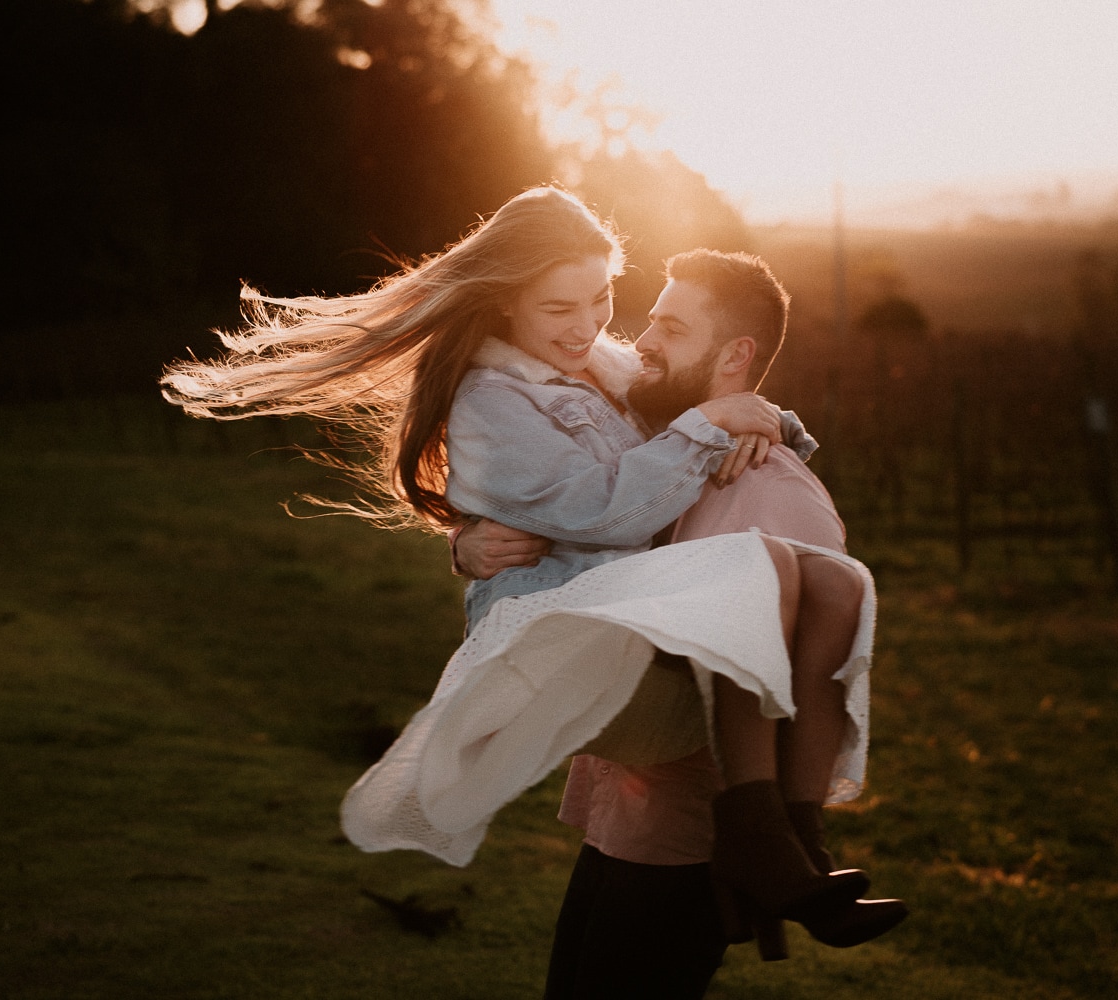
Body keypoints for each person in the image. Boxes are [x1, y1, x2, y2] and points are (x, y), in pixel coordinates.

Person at [159, 186, 880, 960]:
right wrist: (710, 425)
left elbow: (675, 400)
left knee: (841, 583)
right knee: (762, 564)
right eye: (559, 308)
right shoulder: (493, 397)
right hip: (565, 629)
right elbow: (601, 506)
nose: (592, 327)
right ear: (506, 303)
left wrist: (765, 418)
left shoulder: (603, 370)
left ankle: (796, 837)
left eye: (601, 300)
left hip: (640, 647)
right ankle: (759, 835)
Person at [456, 250, 907, 997]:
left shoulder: (771, 485)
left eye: (671, 327)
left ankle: (786, 852)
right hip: (623, 818)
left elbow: (804, 673)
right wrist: (470, 542)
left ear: (734, 356)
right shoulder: (664, 454)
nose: (642, 342)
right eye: (649, 320)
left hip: (688, 841)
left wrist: (773, 839)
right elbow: (570, 506)